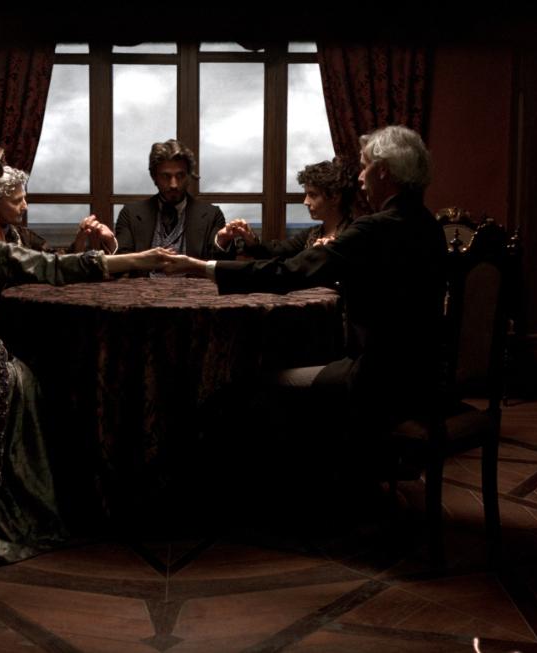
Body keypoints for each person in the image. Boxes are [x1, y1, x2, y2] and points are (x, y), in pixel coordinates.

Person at [0, 135, 170, 577]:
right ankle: (32, 502)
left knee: (27, 373)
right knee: (31, 381)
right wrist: (138, 259)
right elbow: (52, 268)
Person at [163, 125, 447, 495]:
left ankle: (274, 493)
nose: (360, 178)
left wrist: (203, 267)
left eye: (364, 167)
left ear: (383, 172)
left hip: (376, 382)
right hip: (420, 380)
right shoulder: (428, 225)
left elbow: (289, 273)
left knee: (243, 386)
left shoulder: (374, 229)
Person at [218, 156, 368, 258]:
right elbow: (276, 251)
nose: (306, 202)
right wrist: (251, 239)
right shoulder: (312, 234)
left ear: (335, 197)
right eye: (306, 194)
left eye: (313, 195)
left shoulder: (356, 233)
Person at [114, 139, 233, 265]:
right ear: (154, 177)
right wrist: (110, 242)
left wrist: (222, 242)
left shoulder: (212, 215)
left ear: (188, 177)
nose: (173, 185)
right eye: (166, 176)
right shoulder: (130, 214)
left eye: (180, 176)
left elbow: (219, 266)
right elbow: (120, 262)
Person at [0, 165, 118, 253]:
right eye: (17, 201)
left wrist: (80, 238)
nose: (25, 206)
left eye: (24, 199)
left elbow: (57, 261)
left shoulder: (23, 235)